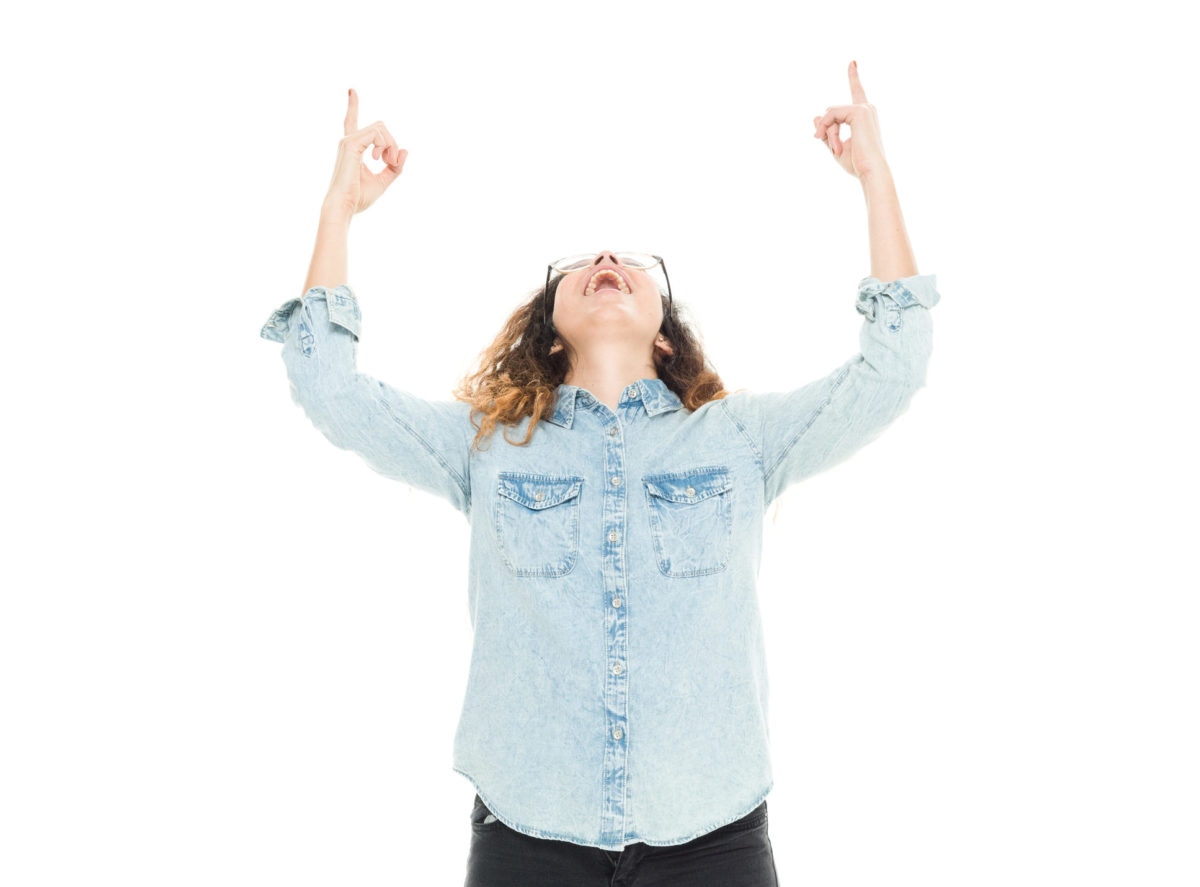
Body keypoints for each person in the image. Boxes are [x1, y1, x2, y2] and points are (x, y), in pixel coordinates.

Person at [261, 61, 939, 886]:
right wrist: (338, 211)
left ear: (664, 336)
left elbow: (894, 368)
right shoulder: (488, 445)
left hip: (714, 837)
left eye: (631, 262)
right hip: (528, 834)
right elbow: (328, 387)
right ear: (552, 331)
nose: (608, 258)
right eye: (580, 265)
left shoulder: (741, 439)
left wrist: (876, 178)